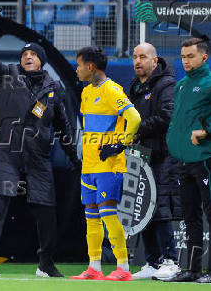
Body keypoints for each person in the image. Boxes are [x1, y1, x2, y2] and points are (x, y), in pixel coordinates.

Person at [0, 11, 81, 278]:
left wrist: (76, 160)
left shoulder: (54, 88)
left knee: (46, 211)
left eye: (33, 54)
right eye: (24, 55)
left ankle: (46, 263)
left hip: (38, 156)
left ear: (42, 61)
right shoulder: (6, 74)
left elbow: (64, 127)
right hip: (6, 153)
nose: (27, 57)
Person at [70, 47, 141, 281]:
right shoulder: (87, 92)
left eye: (79, 65)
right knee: (91, 215)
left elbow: (134, 118)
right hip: (89, 165)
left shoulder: (112, 90)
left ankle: (123, 267)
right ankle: (94, 267)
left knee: (108, 214)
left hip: (108, 164)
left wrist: (121, 144)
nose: (77, 69)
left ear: (90, 67)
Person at [166, 37, 211, 284]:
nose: (185, 61)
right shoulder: (181, 85)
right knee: (189, 216)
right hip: (183, 161)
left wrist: (208, 131)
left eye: (190, 56)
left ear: (204, 57)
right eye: (182, 57)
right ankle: (192, 270)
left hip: (205, 159)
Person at [128, 43, 182, 280]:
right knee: (144, 208)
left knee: (160, 206)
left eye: (142, 57)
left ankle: (171, 261)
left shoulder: (166, 84)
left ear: (154, 60)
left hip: (163, 155)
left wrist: (137, 131)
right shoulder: (135, 86)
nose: (137, 61)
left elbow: (167, 116)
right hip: (141, 156)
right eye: (134, 57)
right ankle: (153, 262)